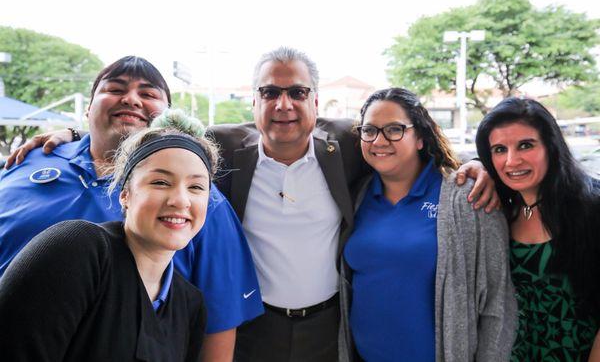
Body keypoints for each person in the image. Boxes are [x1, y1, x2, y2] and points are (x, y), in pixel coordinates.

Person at [6, 47, 498, 361]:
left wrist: (470, 167)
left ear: (317, 103)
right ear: (254, 101)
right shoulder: (219, 149)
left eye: (297, 93)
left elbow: (402, 137)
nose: (283, 105)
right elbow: (145, 134)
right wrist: (69, 134)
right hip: (255, 331)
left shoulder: (349, 144)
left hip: (330, 330)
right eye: (270, 93)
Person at [0, 56, 262, 361]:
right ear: (125, 193)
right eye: (115, 88)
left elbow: (218, 322)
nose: (131, 99)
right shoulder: (26, 161)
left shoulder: (205, 207)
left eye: (148, 94)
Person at [0, 109, 218, 361]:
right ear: (125, 194)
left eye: (196, 187)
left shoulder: (189, 304)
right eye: (160, 182)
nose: (180, 200)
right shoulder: (77, 249)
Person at [338, 88, 516, 362]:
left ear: (420, 137)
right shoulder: (357, 197)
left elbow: (497, 304)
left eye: (394, 129)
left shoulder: (465, 196)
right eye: (370, 130)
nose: (379, 140)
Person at [475, 97, 600, 362]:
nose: (512, 161)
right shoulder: (500, 212)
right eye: (499, 149)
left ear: (551, 147)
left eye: (525, 145)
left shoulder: (593, 207)